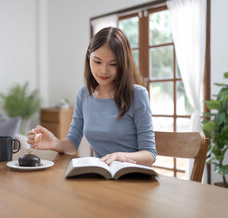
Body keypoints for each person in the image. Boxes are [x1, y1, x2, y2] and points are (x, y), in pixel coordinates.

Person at [28, 27, 156, 167]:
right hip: (102, 176)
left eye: (113, 64)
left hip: (133, 177)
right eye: (97, 61)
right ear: (89, 56)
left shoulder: (137, 95)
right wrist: (55, 143)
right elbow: (72, 143)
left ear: (123, 63)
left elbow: (149, 155)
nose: (103, 70)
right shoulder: (84, 95)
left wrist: (120, 156)